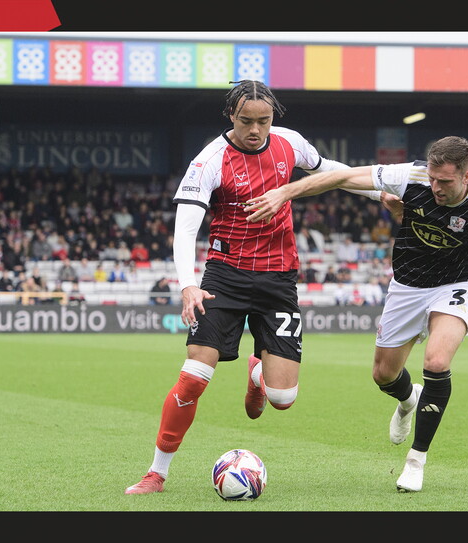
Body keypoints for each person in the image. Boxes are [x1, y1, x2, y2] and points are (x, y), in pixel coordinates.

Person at [125, 79, 399, 495]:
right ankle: (156, 472)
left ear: (274, 117)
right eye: (246, 121)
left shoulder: (290, 143)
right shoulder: (209, 161)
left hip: (278, 280)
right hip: (224, 277)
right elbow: (186, 228)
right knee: (195, 376)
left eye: (264, 120)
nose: (255, 129)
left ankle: (258, 376)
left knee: (283, 399)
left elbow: (330, 173)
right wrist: (187, 287)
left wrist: (378, 193)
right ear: (231, 117)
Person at [244, 135, 468, 493]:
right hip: (407, 285)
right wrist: (285, 193)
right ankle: (409, 399)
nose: (436, 187)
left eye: (445, 181)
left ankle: (416, 461)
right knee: (383, 374)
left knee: (437, 361)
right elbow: (343, 177)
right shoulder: (409, 176)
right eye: (432, 178)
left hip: (456, 285)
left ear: (466, 177)